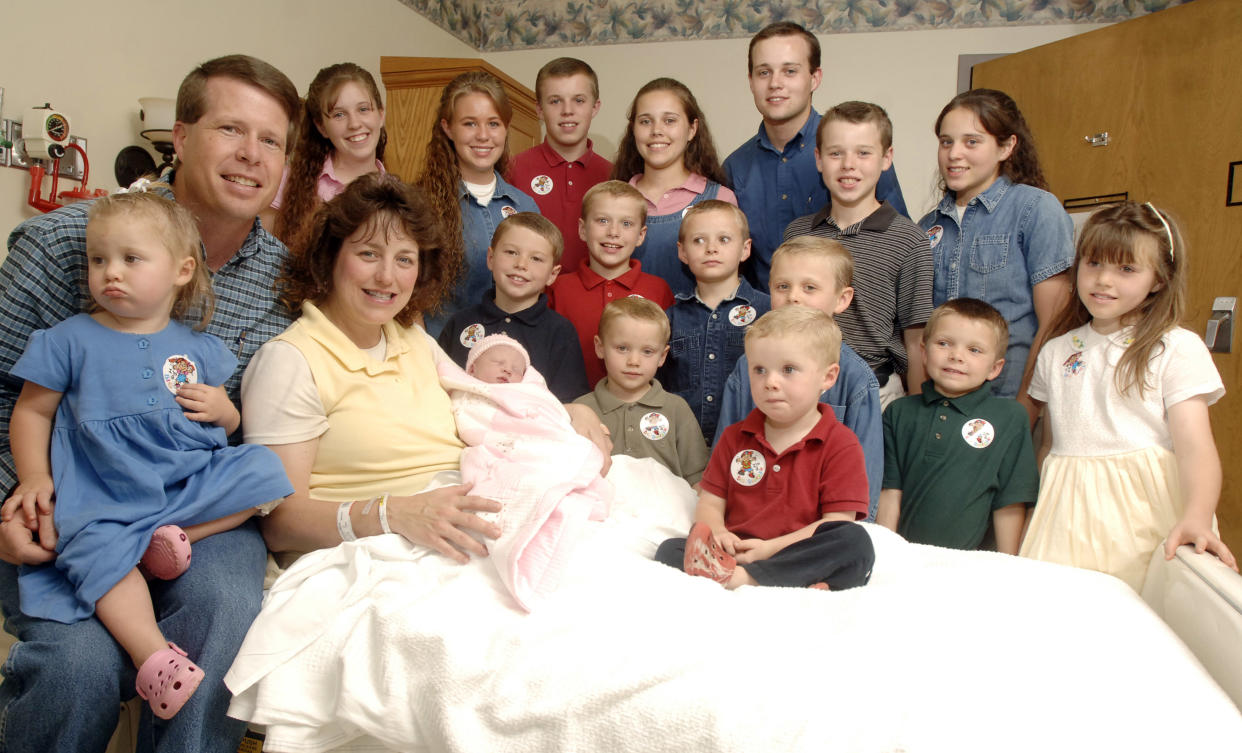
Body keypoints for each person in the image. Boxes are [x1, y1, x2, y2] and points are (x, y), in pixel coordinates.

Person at [0, 54, 299, 753]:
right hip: (81, 504)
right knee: (78, 668)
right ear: (182, 135)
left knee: (225, 607)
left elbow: (264, 414)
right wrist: (10, 505)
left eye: (271, 140)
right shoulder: (69, 242)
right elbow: (9, 398)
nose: (250, 155)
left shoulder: (285, 281)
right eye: (230, 128)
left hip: (193, 507)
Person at [1019, 202, 1237, 590]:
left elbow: (1196, 447)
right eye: (1093, 264)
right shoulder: (1056, 352)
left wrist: (1198, 515)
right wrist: (1036, 512)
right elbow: (1050, 445)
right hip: (1065, 512)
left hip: (1141, 513)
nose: (1103, 280)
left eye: (1126, 269)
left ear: (1157, 280)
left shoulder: (1174, 347)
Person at [654, 306, 874, 590]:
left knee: (854, 542)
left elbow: (836, 521)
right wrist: (719, 532)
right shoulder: (735, 437)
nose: (770, 382)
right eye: (759, 370)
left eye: (788, 370)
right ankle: (777, 580)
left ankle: (748, 580)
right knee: (668, 550)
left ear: (828, 377)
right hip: (737, 550)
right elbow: (710, 502)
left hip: (799, 551)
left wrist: (769, 550)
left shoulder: (840, 443)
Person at [918, 88, 1073, 408]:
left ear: (1006, 146)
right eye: (946, 142)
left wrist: (1024, 411)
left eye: (971, 141)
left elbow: (1055, 324)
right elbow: (921, 328)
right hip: (940, 405)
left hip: (1007, 399)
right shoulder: (927, 226)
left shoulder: (1035, 209)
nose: (954, 154)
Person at [724, 21, 907, 290]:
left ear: (814, 78)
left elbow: (899, 245)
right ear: (750, 81)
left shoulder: (855, 159)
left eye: (789, 71)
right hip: (768, 322)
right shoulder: (735, 168)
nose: (775, 83)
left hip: (855, 324)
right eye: (764, 72)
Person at [439, 334, 611, 610]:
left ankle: (566, 488)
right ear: (471, 370)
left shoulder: (530, 394)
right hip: (501, 443)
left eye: (517, 368)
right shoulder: (467, 392)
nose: (508, 369)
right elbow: (471, 422)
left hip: (536, 438)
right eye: (498, 362)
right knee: (517, 476)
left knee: (557, 455)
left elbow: (549, 416)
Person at [715, 236, 883, 519]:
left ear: (842, 299)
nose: (793, 296)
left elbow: (866, 482)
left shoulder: (857, 380)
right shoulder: (748, 367)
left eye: (809, 288)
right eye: (783, 286)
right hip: (749, 514)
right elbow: (723, 455)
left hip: (818, 525)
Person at [783, 101, 932, 408]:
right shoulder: (798, 234)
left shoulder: (908, 239)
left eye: (863, 153)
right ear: (819, 159)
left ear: (886, 158)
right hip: (801, 385)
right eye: (836, 153)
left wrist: (920, 416)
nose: (848, 164)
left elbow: (916, 340)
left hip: (875, 391)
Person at [877, 298, 1037, 553]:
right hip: (906, 561)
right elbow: (890, 492)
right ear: (924, 352)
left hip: (972, 567)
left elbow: (1010, 501)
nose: (956, 356)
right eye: (944, 343)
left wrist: (1010, 565)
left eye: (974, 350)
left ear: (995, 368)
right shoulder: (899, 412)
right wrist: (884, 555)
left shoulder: (1010, 417)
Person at [417, 71, 540, 337]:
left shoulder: (526, 207)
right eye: (470, 124)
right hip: (442, 358)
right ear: (448, 128)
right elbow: (408, 296)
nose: (483, 135)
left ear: (506, 127)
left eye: (493, 123)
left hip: (513, 360)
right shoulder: (419, 204)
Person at [436, 212, 587, 401]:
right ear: (491, 258)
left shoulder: (560, 333)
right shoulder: (460, 322)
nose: (521, 264)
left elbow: (568, 405)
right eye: (511, 252)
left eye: (536, 259)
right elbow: (436, 388)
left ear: (553, 274)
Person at [610, 78, 737, 297]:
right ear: (633, 130)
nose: (656, 130)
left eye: (669, 120)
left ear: (691, 129)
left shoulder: (720, 198)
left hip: (698, 329)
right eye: (645, 121)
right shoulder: (613, 201)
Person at [659, 200, 770, 442]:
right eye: (699, 240)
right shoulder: (670, 320)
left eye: (724, 239)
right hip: (686, 449)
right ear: (682, 252)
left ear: (745, 249)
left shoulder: (769, 313)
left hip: (751, 446)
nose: (711, 248)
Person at [548, 180, 674, 387]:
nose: (613, 232)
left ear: (641, 235)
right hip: (569, 408)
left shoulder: (658, 289)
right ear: (582, 229)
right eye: (603, 220)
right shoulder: (558, 288)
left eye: (626, 224)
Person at [574, 298, 708, 485]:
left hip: (669, 511)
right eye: (622, 348)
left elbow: (698, 478)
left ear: (662, 356)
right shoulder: (580, 411)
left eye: (647, 351)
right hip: (600, 510)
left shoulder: (676, 409)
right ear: (600, 347)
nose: (634, 361)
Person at [267, 62, 387, 255]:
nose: (354, 123)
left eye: (363, 109)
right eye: (339, 114)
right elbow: (260, 264)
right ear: (321, 126)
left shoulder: (397, 196)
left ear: (381, 115)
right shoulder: (286, 182)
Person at [506, 57, 612, 274]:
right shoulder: (512, 169)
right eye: (555, 101)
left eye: (579, 100)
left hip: (594, 302)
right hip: (528, 301)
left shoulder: (614, 176)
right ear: (539, 109)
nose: (567, 111)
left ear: (595, 107)